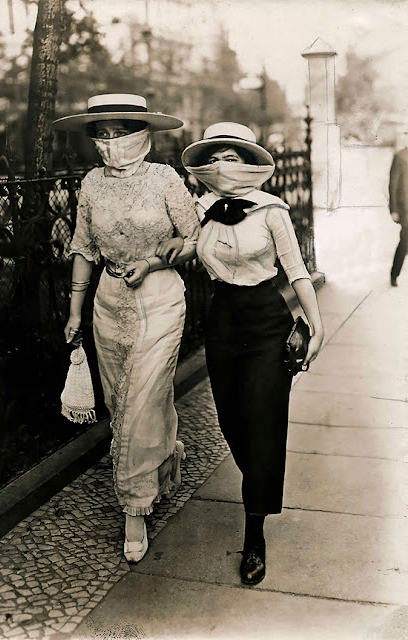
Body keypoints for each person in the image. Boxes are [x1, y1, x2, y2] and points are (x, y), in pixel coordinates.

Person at [54, 94, 199, 564]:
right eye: (102, 134)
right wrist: (76, 309)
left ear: (143, 134)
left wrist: (154, 260)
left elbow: (193, 238)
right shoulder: (92, 183)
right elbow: (82, 247)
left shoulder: (165, 179)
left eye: (121, 132)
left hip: (159, 298)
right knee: (124, 402)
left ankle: (134, 510)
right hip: (108, 302)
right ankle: (163, 450)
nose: (111, 143)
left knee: (140, 403)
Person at [182, 122, 324, 586]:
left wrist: (317, 325)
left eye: (233, 157)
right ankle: (260, 481)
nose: (224, 166)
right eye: (216, 158)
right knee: (231, 423)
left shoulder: (271, 212)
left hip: (267, 320)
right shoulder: (197, 211)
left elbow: (296, 270)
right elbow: (183, 249)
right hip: (222, 321)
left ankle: (254, 533)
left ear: (249, 165)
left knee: (263, 422)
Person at [389, 126, 408, 287]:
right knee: (405, 243)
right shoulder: (400, 156)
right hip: (406, 209)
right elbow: (393, 185)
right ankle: (394, 274)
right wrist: (393, 209)